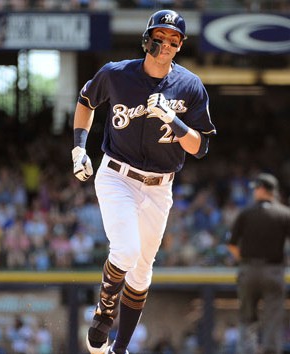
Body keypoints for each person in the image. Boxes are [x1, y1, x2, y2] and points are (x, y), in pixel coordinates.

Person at [71, 9, 216, 354]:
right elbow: (86, 101)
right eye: (160, 36)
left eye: (174, 39)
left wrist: (175, 122)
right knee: (126, 250)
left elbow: (201, 147)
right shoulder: (117, 74)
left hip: (160, 185)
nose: (166, 43)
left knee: (142, 272)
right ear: (147, 38)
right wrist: (78, 148)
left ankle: (118, 349)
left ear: (180, 45)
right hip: (116, 175)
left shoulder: (189, 85)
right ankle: (104, 314)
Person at [227, 173, 290, 354]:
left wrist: (244, 261)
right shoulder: (285, 213)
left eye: (256, 188)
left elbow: (231, 244)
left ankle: (246, 351)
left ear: (262, 189)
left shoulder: (246, 213)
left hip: (249, 269)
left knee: (246, 318)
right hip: (274, 271)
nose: (254, 192)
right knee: (273, 319)